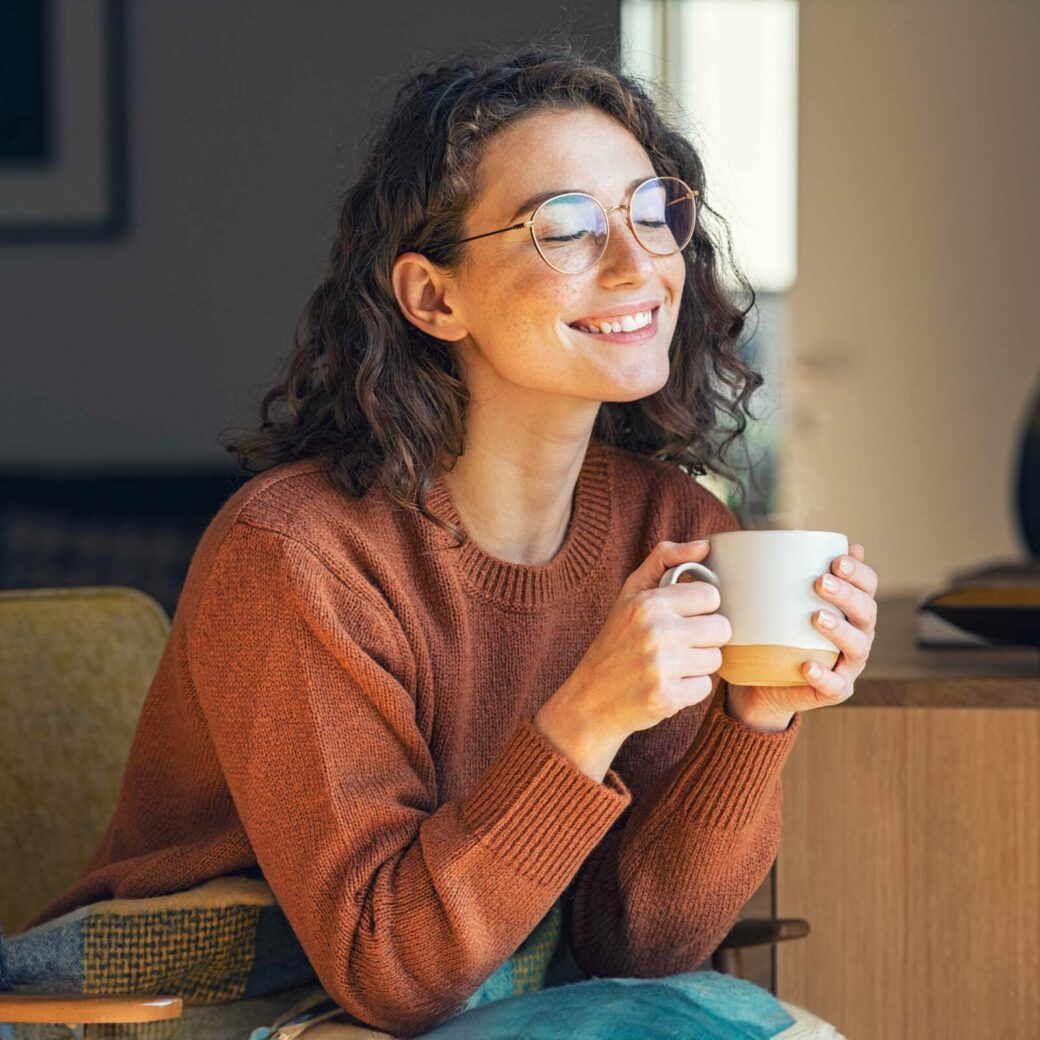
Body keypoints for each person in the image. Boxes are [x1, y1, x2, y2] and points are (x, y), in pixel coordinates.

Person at [21, 46, 878, 1037]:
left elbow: (632, 947)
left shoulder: (674, 529)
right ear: (433, 298)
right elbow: (385, 968)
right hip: (210, 1005)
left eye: (651, 210)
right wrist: (585, 714)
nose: (636, 260)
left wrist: (752, 721)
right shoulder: (297, 552)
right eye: (565, 226)